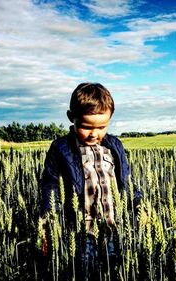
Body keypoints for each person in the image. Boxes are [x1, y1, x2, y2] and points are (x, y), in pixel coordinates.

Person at [40, 82, 142, 280]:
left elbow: (125, 181)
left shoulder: (114, 146)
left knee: (113, 268)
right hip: (81, 229)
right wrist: (48, 219)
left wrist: (137, 204)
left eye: (102, 127)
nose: (94, 134)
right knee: (85, 271)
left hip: (112, 224)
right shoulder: (62, 148)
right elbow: (50, 185)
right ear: (72, 118)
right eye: (86, 127)